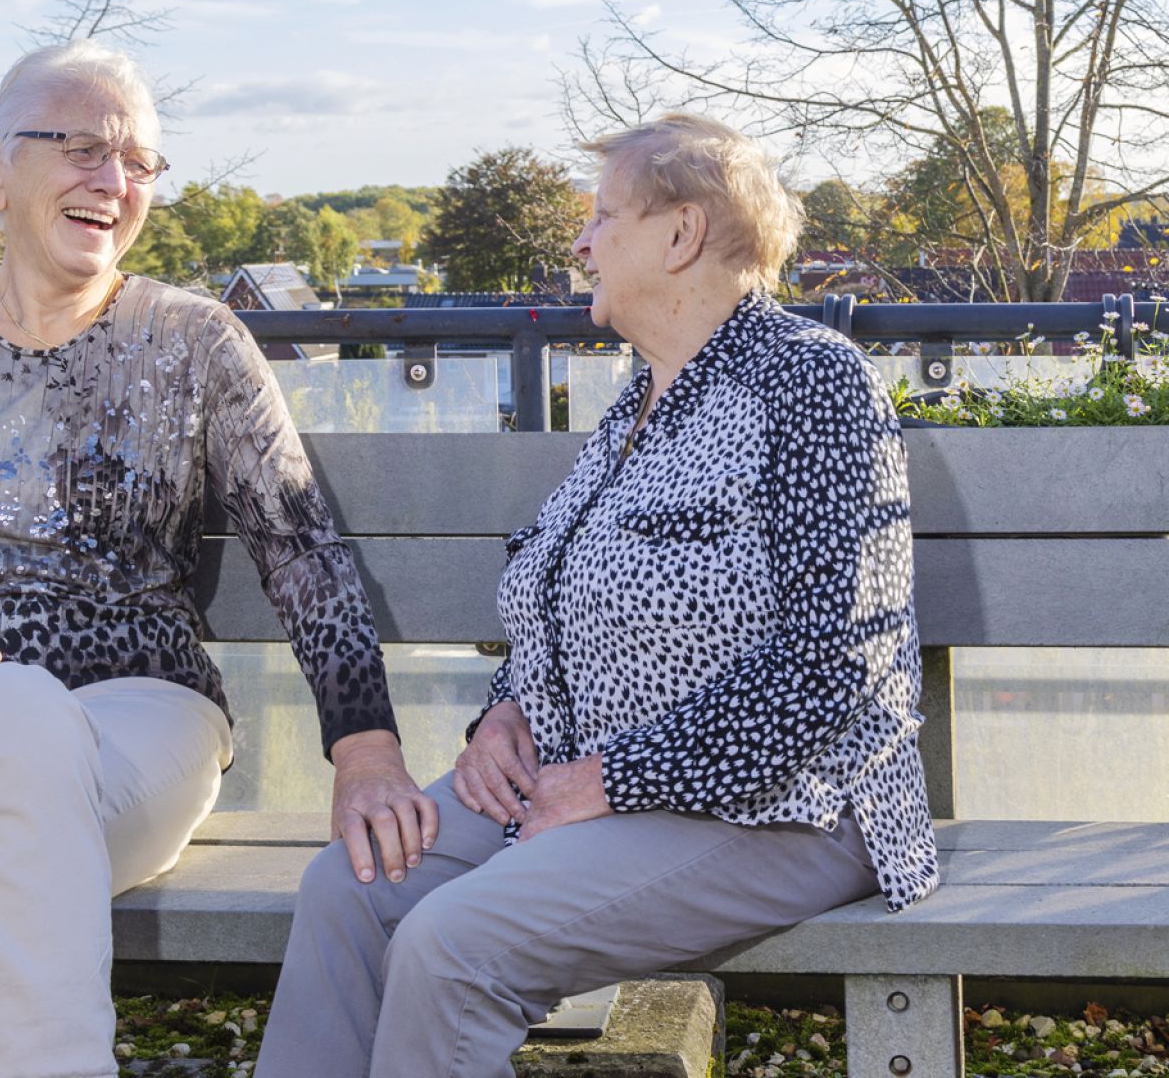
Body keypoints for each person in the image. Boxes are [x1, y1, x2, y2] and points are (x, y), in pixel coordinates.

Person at [0, 39, 432, 1078]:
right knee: (6, 712)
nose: (114, 180)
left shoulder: (195, 342)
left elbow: (302, 552)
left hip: (132, 714)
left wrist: (366, 748)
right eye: (81, 148)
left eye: (139, 160)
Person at [256, 113, 940, 1078]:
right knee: (350, 888)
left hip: (788, 806)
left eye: (603, 217)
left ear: (682, 234)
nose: (580, 245)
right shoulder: (640, 400)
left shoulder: (810, 382)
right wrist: (505, 716)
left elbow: (833, 666)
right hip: (589, 782)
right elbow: (564, 600)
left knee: (455, 946)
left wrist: (611, 780)